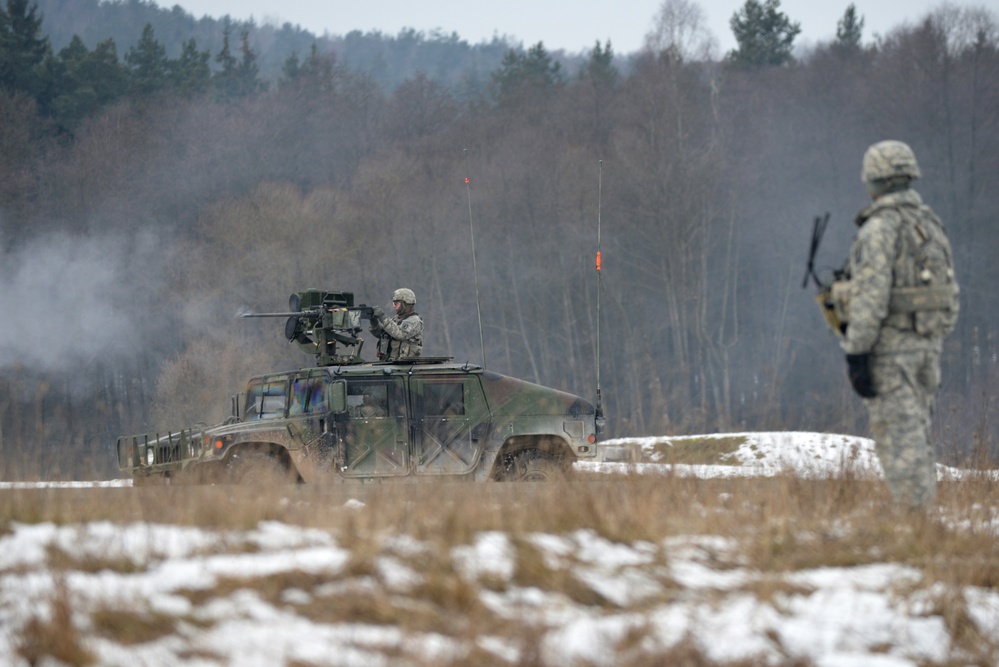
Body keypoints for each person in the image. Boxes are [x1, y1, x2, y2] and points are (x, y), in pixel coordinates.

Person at [836, 140, 959, 510]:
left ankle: (915, 526)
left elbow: (871, 299)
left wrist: (856, 352)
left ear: (873, 180)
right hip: (927, 348)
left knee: (899, 440)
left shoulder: (880, 228)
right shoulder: (929, 224)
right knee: (918, 436)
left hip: (891, 353)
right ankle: (920, 522)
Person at [370, 288, 424, 361]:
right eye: (393, 304)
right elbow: (383, 334)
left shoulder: (414, 320)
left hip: (405, 364)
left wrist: (382, 317)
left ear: (405, 304)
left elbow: (400, 334)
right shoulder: (396, 319)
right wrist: (374, 322)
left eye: (396, 304)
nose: (394, 307)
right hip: (390, 361)